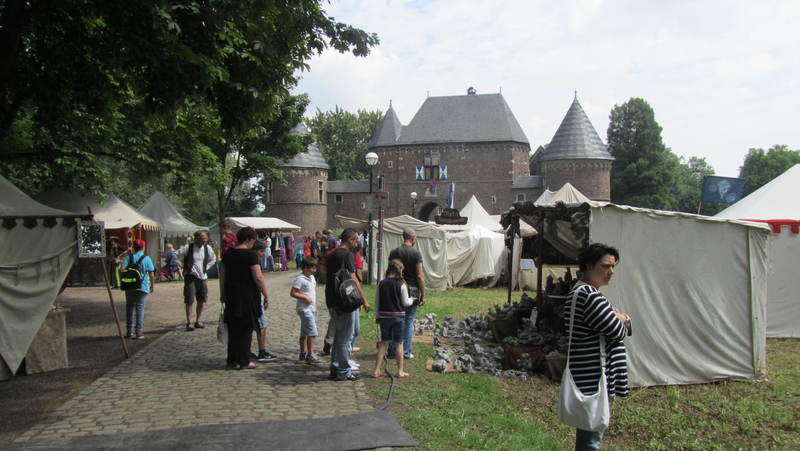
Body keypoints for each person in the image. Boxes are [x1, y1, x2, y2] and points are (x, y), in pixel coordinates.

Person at [566, 243, 631, 450]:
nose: (611, 271)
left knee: (589, 432)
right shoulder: (589, 295)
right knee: (591, 438)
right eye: (605, 266)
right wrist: (624, 318)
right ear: (588, 265)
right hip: (595, 377)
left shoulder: (580, 292)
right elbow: (619, 332)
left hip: (588, 374)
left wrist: (617, 318)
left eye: (613, 267)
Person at [222, 227, 270, 370]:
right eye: (253, 239)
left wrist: (222, 293)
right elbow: (258, 277)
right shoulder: (250, 255)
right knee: (246, 328)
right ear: (249, 239)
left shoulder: (228, 253)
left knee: (233, 328)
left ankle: (232, 359)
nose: (253, 242)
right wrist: (266, 294)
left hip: (231, 294)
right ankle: (244, 360)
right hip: (247, 296)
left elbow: (222, 275)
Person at [326, 228, 369, 381]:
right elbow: (353, 279)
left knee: (339, 336)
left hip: (331, 299)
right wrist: (363, 299)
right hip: (344, 301)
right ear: (350, 240)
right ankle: (343, 370)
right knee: (344, 337)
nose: (357, 243)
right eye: (356, 240)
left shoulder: (332, 254)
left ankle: (335, 367)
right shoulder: (347, 255)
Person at [372, 259, 414, 378]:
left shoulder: (381, 283)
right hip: (398, 317)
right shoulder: (402, 284)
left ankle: (376, 370)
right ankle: (400, 371)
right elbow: (405, 302)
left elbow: (377, 301)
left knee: (383, 343)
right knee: (399, 344)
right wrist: (412, 300)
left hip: (384, 316)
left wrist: (377, 316)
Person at [387, 228, 426, 360]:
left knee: (395, 319)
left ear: (403, 237)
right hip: (412, 290)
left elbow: (389, 272)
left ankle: (392, 350)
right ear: (413, 238)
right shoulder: (416, 253)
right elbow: (419, 275)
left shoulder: (394, 252)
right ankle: (406, 352)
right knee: (408, 321)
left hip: (395, 288)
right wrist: (423, 294)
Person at [174, 231, 217, 331]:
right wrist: (182, 265)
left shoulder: (207, 248)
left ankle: (198, 320)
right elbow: (175, 255)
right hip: (191, 277)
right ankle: (189, 322)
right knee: (189, 300)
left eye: (205, 238)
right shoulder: (188, 247)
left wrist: (206, 267)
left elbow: (213, 259)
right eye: (202, 238)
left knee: (202, 300)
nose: (204, 240)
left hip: (203, 277)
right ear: (196, 238)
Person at [119, 239, 156, 339]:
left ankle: (129, 332)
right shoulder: (146, 258)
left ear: (134, 247)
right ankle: (138, 332)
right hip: (142, 286)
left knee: (129, 307)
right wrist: (152, 286)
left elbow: (121, 270)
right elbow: (151, 274)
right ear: (143, 247)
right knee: (140, 308)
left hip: (129, 286)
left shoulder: (128, 257)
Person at [251, 242, 278, 362]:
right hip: (254, 297)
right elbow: (259, 278)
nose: (262, 254)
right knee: (262, 324)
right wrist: (266, 295)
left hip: (245, 297)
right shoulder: (253, 260)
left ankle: (246, 351)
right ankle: (262, 351)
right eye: (261, 251)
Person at [290, 257, 321, 364]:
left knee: (304, 332)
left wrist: (314, 306)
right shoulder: (300, 279)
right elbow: (293, 292)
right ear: (305, 268)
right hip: (304, 309)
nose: (314, 270)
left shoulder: (312, 278)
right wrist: (305, 297)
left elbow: (312, 293)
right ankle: (310, 354)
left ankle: (303, 353)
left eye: (315, 268)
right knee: (312, 332)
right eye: (312, 268)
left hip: (311, 308)